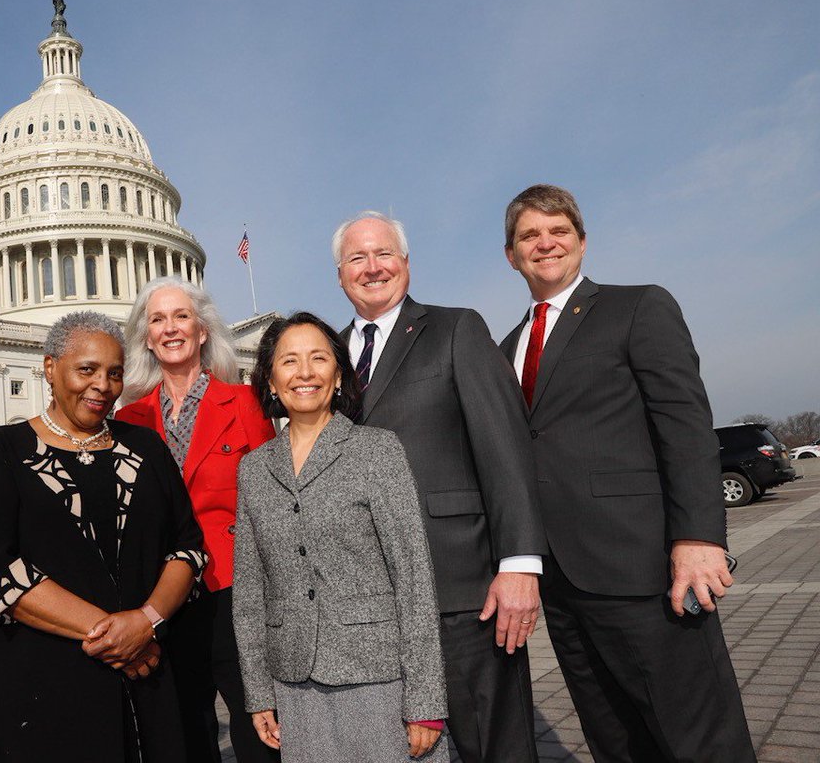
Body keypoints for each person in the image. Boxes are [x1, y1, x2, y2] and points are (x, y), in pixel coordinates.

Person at [499, 184, 754, 762]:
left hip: (644, 569)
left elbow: (685, 425)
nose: (545, 244)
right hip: (561, 582)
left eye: (558, 231)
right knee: (613, 738)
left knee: (697, 737)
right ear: (511, 255)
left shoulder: (638, 306)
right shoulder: (507, 346)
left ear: (582, 243)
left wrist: (699, 538)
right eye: (529, 236)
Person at [333, 211, 546, 762]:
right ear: (340, 275)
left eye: (384, 254)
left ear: (406, 264)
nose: (372, 267)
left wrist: (519, 564)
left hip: (461, 584)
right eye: (357, 257)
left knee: (494, 744)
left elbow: (506, 451)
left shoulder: (455, 329)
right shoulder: (324, 356)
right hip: (366, 598)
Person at [0, 310, 207, 762]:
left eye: (114, 374)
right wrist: (120, 637)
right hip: (46, 686)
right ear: (51, 368)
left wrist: (145, 621)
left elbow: (188, 547)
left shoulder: (145, 446)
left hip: (148, 677)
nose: (103, 386)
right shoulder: (2, 450)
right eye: (86, 369)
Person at [232, 312, 448, 762]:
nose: (305, 372)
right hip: (293, 683)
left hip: (377, 678)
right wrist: (257, 691)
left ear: (337, 376)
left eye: (319, 358)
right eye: (289, 361)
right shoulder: (254, 470)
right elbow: (250, 591)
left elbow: (413, 577)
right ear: (271, 381)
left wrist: (426, 700)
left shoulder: (377, 450)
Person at [116, 277, 278, 763]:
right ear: (146, 336)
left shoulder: (244, 402)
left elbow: (270, 506)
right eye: (158, 319)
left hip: (233, 589)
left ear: (203, 330)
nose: (170, 329)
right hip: (164, 594)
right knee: (183, 732)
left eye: (181, 316)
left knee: (257, 729)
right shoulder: (129, 418)